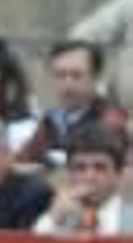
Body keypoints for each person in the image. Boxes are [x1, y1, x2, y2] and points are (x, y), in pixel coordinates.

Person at [17, 39, 123, 168]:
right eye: (60, 75)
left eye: (76, 75)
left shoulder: (111, 121)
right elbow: (22, 160)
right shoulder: (51, 120)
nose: (68, 83)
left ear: (95, 77)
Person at [33, 120, 130, 236]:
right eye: (80, 168)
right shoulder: (59, 215)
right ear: (69, 173)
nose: (89, 177)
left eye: (100, 168)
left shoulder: (129, 218)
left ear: (118, 174)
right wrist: (54, 218)